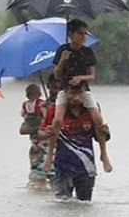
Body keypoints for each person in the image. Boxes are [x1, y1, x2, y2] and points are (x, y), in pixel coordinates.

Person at [43, 18, 112, 175]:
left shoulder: (87, 52)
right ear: (71, 34)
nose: (83, 37)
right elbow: (57, 75)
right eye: (80, 34)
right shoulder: (62, 50)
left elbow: (92, 76)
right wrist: (62, 61)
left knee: (98, 119)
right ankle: (49, 156)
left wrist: (81, 78)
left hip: (83, 90)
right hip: (65, 90)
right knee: (58, 120)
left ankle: (104, 154)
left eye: (85, 34)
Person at [50, 84, 110, 201]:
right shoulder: (57, 111)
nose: (76, 97)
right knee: (62, 203)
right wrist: (47, 133)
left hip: (86, 167)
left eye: (80, 93)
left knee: (84, 204)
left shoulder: (91, 111)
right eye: (72, 93)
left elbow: (99, 136)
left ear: (85, 94)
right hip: (62, 166)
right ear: (65, 94)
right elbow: (41, 133)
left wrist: (106, 133)